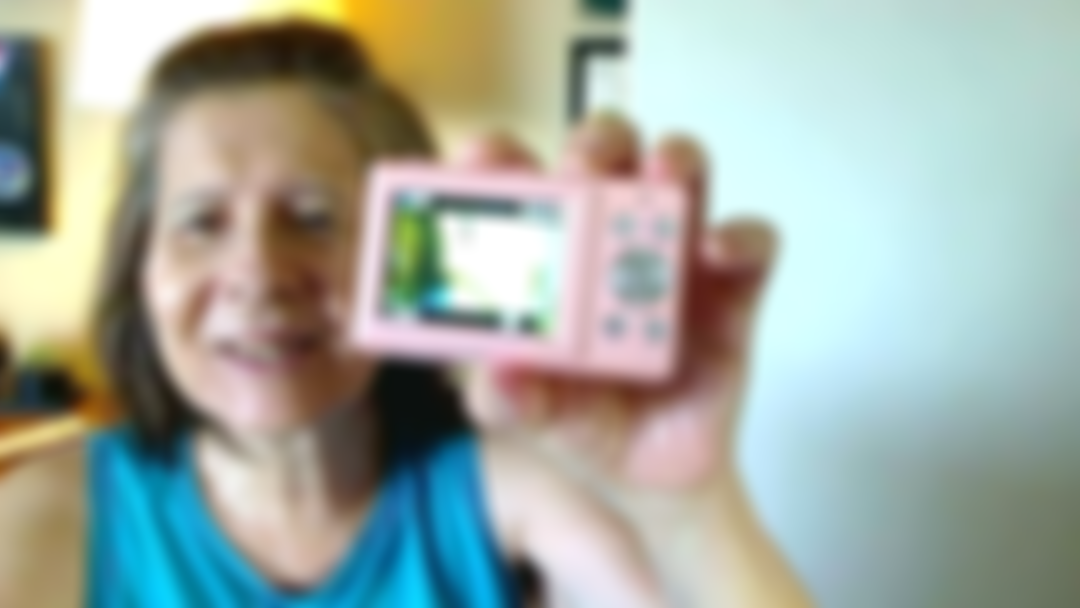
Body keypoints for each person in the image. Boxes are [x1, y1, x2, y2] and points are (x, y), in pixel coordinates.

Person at [0, 20, 814, 608]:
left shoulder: (502, 486)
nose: (256, 274)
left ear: (407, 255)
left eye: (313, 217)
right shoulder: (51, 514)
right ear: (140, 269)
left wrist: (693, 508)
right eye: (202, 222)